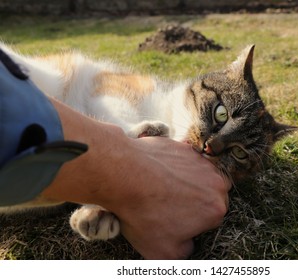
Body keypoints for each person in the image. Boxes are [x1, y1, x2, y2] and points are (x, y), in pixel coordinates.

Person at [0, 48, 231, 259]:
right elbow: (108, 91)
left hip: (35, 170)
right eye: (221, 115)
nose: (212, 144)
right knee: (37, 79)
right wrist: (124, 152)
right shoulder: (159, 97)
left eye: (236, 153)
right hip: (64, 84)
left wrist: (109, 196)